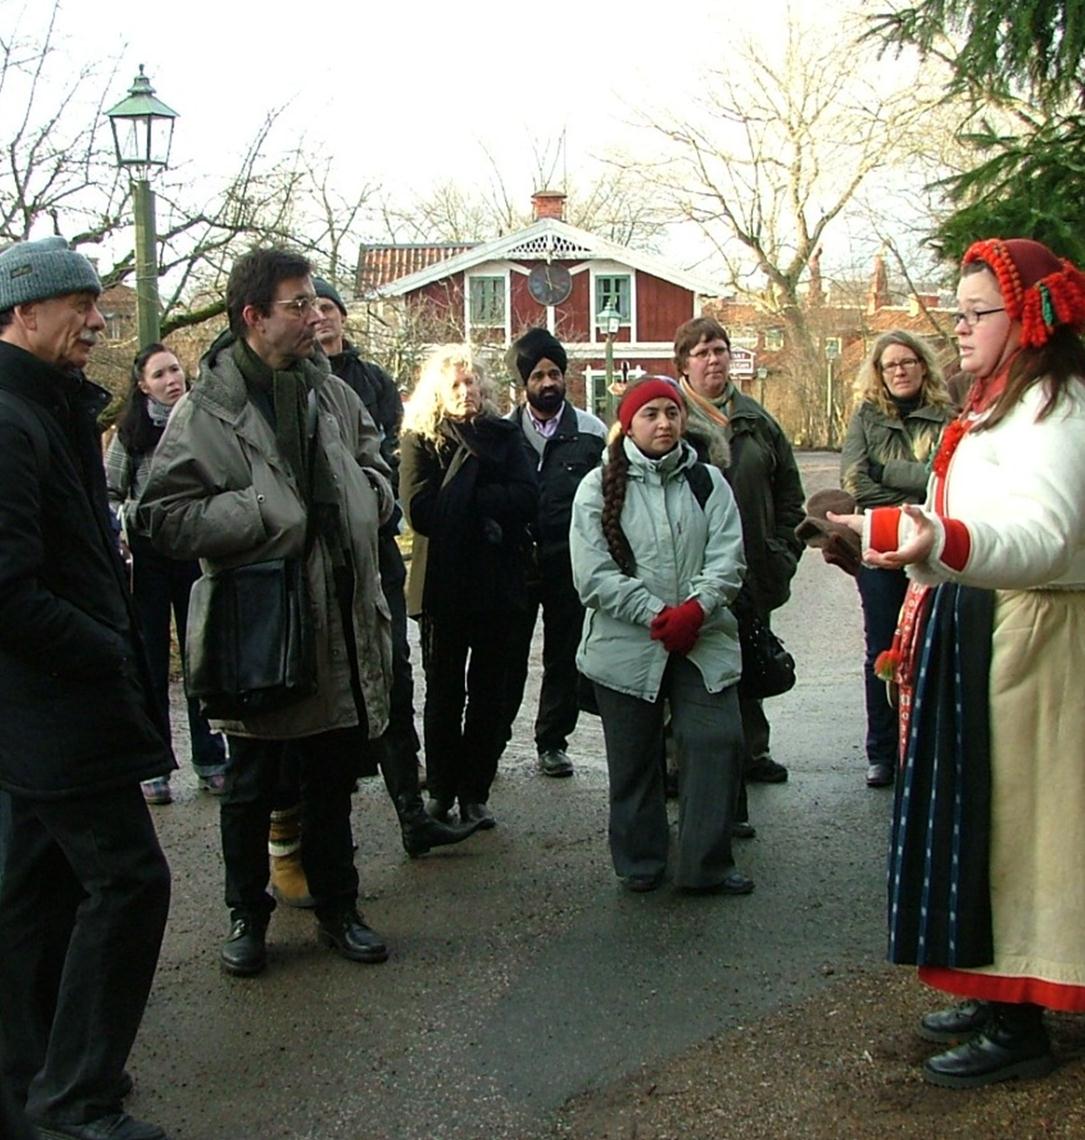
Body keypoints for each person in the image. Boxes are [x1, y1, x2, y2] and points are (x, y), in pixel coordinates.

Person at [833, 237, 1085, 1088]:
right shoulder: (1001, 400)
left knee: (1016, 824)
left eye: (979, 312)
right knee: (979, 817)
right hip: (988, 625)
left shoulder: (1053, 404)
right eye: (960, 310)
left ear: (1029, 318)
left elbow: (1047, 536)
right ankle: (991, 987)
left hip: (1032, 637)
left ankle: (1020, 1019)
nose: (961, 327)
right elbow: (964, 513)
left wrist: (940, 540)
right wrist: (883, 536)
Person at [139, 248, 394, 977]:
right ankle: (246, 917)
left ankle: (339, 909)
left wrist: (373, 501)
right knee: (251, 785)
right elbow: (161, 515)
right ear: (253, 318)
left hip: (338, 614)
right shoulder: (206, 409)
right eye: (298, 305)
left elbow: (375, 462)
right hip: (257, 626)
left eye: (316, 303)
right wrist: (256, 509)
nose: (315, 316)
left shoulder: (332, 392)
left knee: (329, 778)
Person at [0, 236, 173, 1140]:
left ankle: (31, 1083)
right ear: (24, 313)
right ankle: (74, 1098)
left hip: (44, 712)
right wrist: (103, 648)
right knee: (130, 883)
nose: (98, 322)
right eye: (81, 307)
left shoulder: (41, 409)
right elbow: (8, 591)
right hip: (55, 709)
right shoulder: (8, 417)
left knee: (35, 893)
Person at [569, 377, 751, 893]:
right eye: (650, 414)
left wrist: (696, 608)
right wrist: (655, 613)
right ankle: (640, 861)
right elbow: (593, 575)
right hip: (626, 643)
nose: (665, 424)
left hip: (703, 636)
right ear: (629, 424)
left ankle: (707, 865)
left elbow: (728, 558)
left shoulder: (709, 482)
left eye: (671, 413)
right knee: (634, 760)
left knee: (714, 742)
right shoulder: (596, 486)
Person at [399, 345, 538, 828]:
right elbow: (422, 513)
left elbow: (527, 498)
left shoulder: (504, 435)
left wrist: (467, 497)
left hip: (498, 584)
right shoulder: (420, 440)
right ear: (437, 390)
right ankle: (440, 790)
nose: (466, 392)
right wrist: (485, 503)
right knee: (443, 691)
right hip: (443, 585)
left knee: (489, 694)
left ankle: (475, 791)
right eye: (456, 384)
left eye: (472, 383)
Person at [674, 316, 804, 828]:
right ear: (683, 362)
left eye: (720, 350)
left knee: (748, 658)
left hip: (752, 565)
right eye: (702, 351)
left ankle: (753, 750)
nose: (713, 359)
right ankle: (676, 761)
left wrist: (781, 551)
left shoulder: (756, 420)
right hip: (689, 570)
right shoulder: (669, 416)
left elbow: (789, 493)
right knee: (689, 670)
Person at [105, 343, 228, 804]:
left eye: (176, 370)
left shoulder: (203, 422)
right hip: (149, 557)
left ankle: (211, 757)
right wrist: (132, 518)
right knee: (151, 660)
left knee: (202, 657)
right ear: (143, 385)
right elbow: (110, 494)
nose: (172, 379)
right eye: (159, 374)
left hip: (195, 551)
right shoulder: (130, 433)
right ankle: (154, 766)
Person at [840, 331, 953, 788]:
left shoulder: (947, 417)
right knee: (881, 650)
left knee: (932, 649)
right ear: (880, 373)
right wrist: (910, 494)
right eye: (890, 365)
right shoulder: (866, 417)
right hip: (882, 546)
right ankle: (882, 752)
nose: (900, 371)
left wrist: (888, 472)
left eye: (908, 362)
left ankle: (925, 749)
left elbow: (945, 479)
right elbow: (854, 483)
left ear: (923, 366)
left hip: (933, 548)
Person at [504, 327, 607, 778]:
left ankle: (552, 742)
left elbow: (609, 498)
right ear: (523, 383)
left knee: (563, 656)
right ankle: (493, 741)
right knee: (506, 657)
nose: (548, 383)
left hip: (570, 564)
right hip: (517, 566)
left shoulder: (590, 432)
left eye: (555, 373)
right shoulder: (504, 434)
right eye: (538, 375)